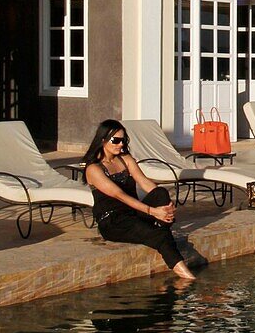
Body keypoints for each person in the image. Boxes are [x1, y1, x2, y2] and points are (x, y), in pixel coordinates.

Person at [83, 119, 196, 279]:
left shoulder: (125, 159)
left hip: (133, 213)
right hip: (113, 221)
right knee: (160, 235)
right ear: (103, 140)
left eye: (123, 140)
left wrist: (166, 207)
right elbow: (119, 195)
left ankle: (160, 233)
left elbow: (144, 182)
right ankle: (188, 278)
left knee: (160, 192)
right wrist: (152, 211)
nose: (120, 144)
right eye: (116, 140)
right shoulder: (93, 169)